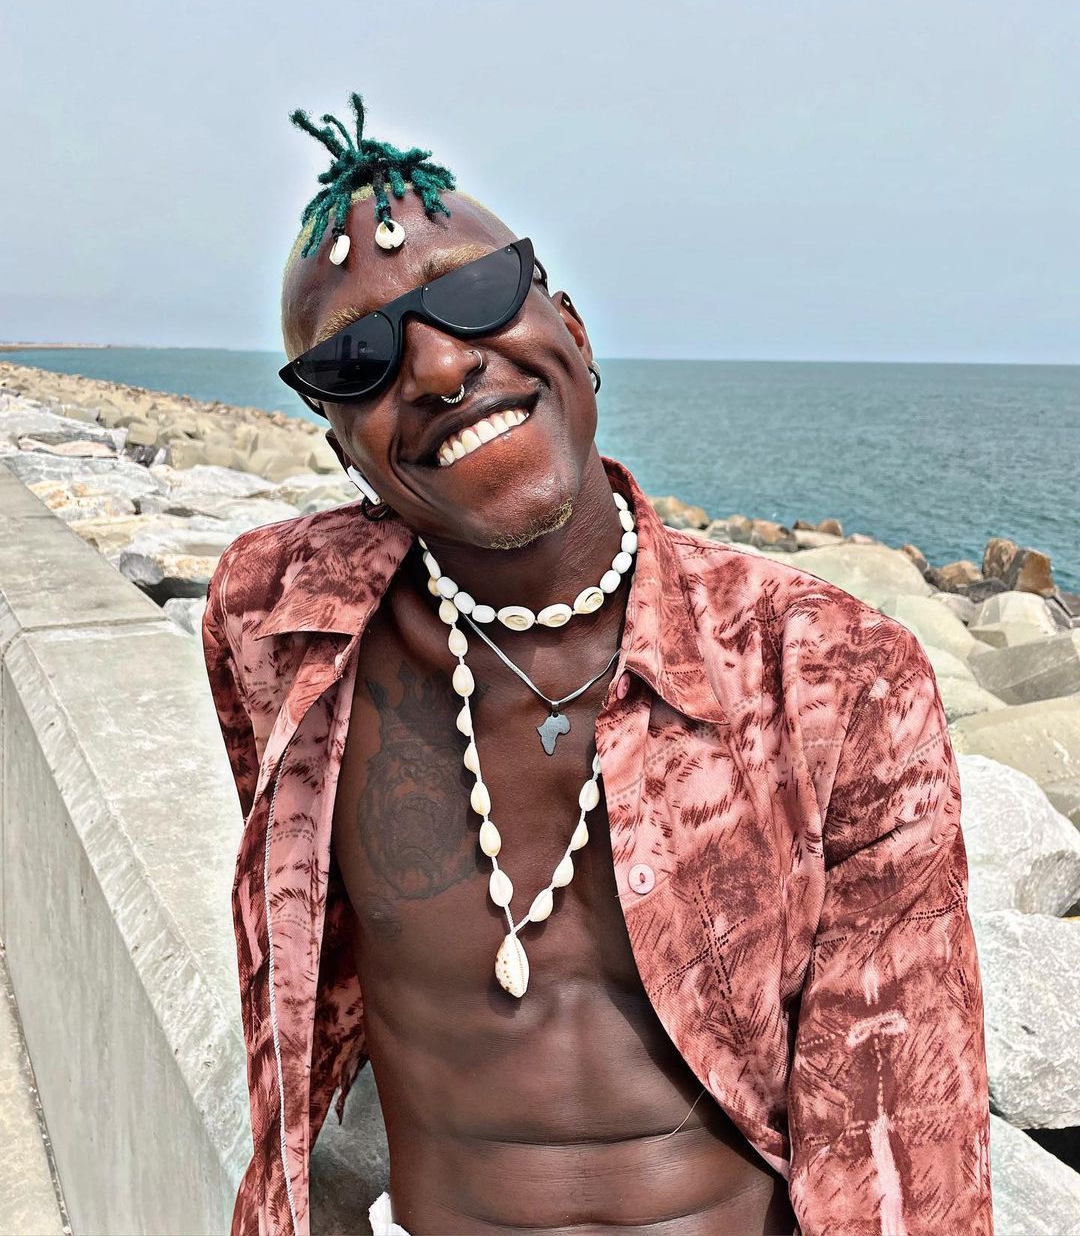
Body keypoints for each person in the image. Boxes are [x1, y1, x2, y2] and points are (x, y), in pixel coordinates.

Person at [202, 94, 993, 1236]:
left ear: (571, 328)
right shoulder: (280, 625)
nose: (438, 367)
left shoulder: (828, 675)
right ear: (340, 445)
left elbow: (899, 1123)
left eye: (474, 295)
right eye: (358, 359)